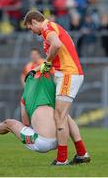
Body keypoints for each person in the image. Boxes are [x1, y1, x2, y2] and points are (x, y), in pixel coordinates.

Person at [24, 10, 90, 165]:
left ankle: (62, 158)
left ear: (34, 22)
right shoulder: (51, 27)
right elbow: (56, 55)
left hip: (68, 74)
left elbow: (57, 45)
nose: (32, 32)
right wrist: (39, 68)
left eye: (29, 28)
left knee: (59, 116)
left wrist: (46, 63)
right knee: (64, 116)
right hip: (67, 73)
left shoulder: (47, 28)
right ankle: (81, 153)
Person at [0, 72, 57, 153]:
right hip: (59, 140)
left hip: (41, 142)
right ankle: (62, 158)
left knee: (9, 123)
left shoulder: (26, 96)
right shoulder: (51, 92)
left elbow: (26, 123)